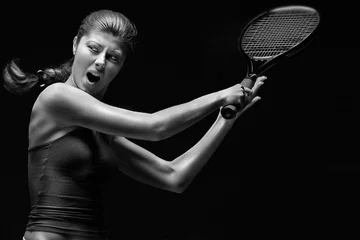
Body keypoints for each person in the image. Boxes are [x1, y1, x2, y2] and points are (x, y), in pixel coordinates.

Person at [3, 9, 266, 240]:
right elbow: (155, 127)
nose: (100, 61)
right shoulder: (56, 97)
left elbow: (173, 176)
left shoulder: (101, 131)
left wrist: (225, 118)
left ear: (120, 66)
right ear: (75, 45)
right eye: (93, 48)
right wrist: (220, 95)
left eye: (113, 57)